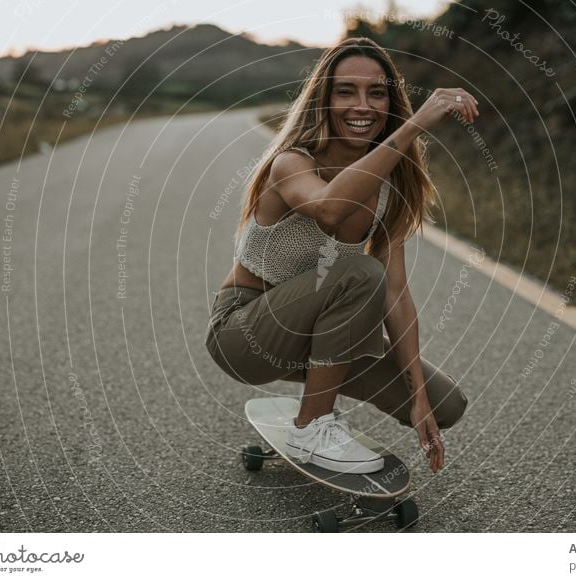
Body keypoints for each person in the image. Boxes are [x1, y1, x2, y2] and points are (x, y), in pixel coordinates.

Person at [205, 37, 479, 475]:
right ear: (324, 99)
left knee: (448, 403)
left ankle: (320, 399)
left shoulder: (390, 191)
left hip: (317, 339)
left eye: (377, 92)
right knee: (358, 271)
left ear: (390, 101)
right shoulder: (292, 164)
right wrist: (414, 128)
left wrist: (419, 401)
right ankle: (312, 426)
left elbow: (395, 292)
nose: (363, 106)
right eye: (345, 91)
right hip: (245, 333)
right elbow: (331, 209)